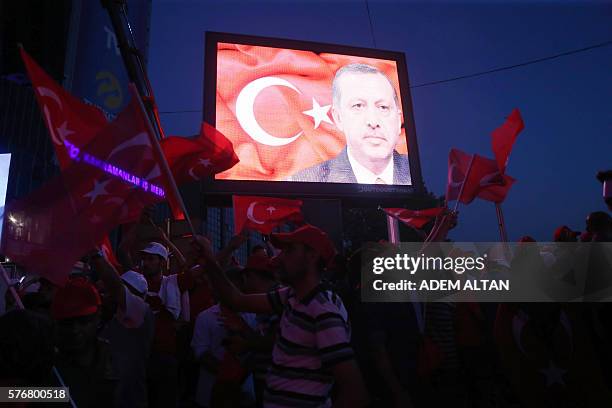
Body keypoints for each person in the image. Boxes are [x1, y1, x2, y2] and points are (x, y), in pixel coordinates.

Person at [194, 224, 370, 408]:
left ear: (312, 256)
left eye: (289, 250)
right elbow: (236, 299)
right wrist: (209, 260)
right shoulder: (289, 297)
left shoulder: (323, 312)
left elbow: (355, 393)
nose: (280, 258)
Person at [289, 63, 411, 185]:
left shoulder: (422, 172)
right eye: (358, 106)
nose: (373, 122)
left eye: (383, 107)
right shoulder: (305, 181)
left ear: (398, 119)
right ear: (338, 118)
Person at [191, 266, 258, 408]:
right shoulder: (205, 317)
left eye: (237, 289)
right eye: (229, 289)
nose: (233, 293)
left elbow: (258, 349)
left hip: (245, 391)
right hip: (210, 391)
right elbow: (201, 353)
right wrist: (229, 375)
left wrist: (240, 374)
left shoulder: (253, 316)